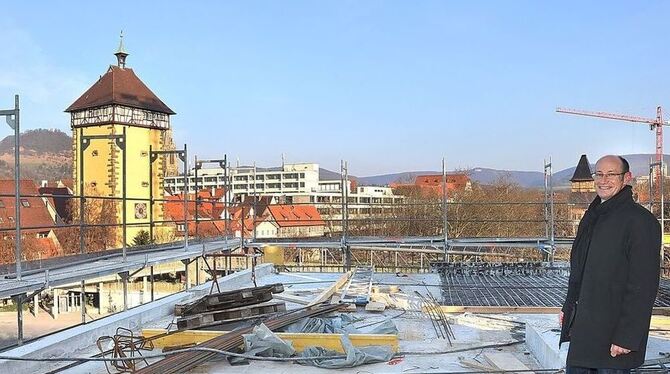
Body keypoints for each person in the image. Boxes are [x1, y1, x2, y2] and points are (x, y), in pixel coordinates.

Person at [559, 155, 661, 373]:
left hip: (613, 341)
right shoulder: (593, 215)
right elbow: (580, 269)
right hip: (584, 333)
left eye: (611, 174)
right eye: (599, 174)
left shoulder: (640, 221)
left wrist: (628, 337)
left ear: (626, 178)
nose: (603, 180)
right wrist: (568, 308)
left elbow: (643, 286)